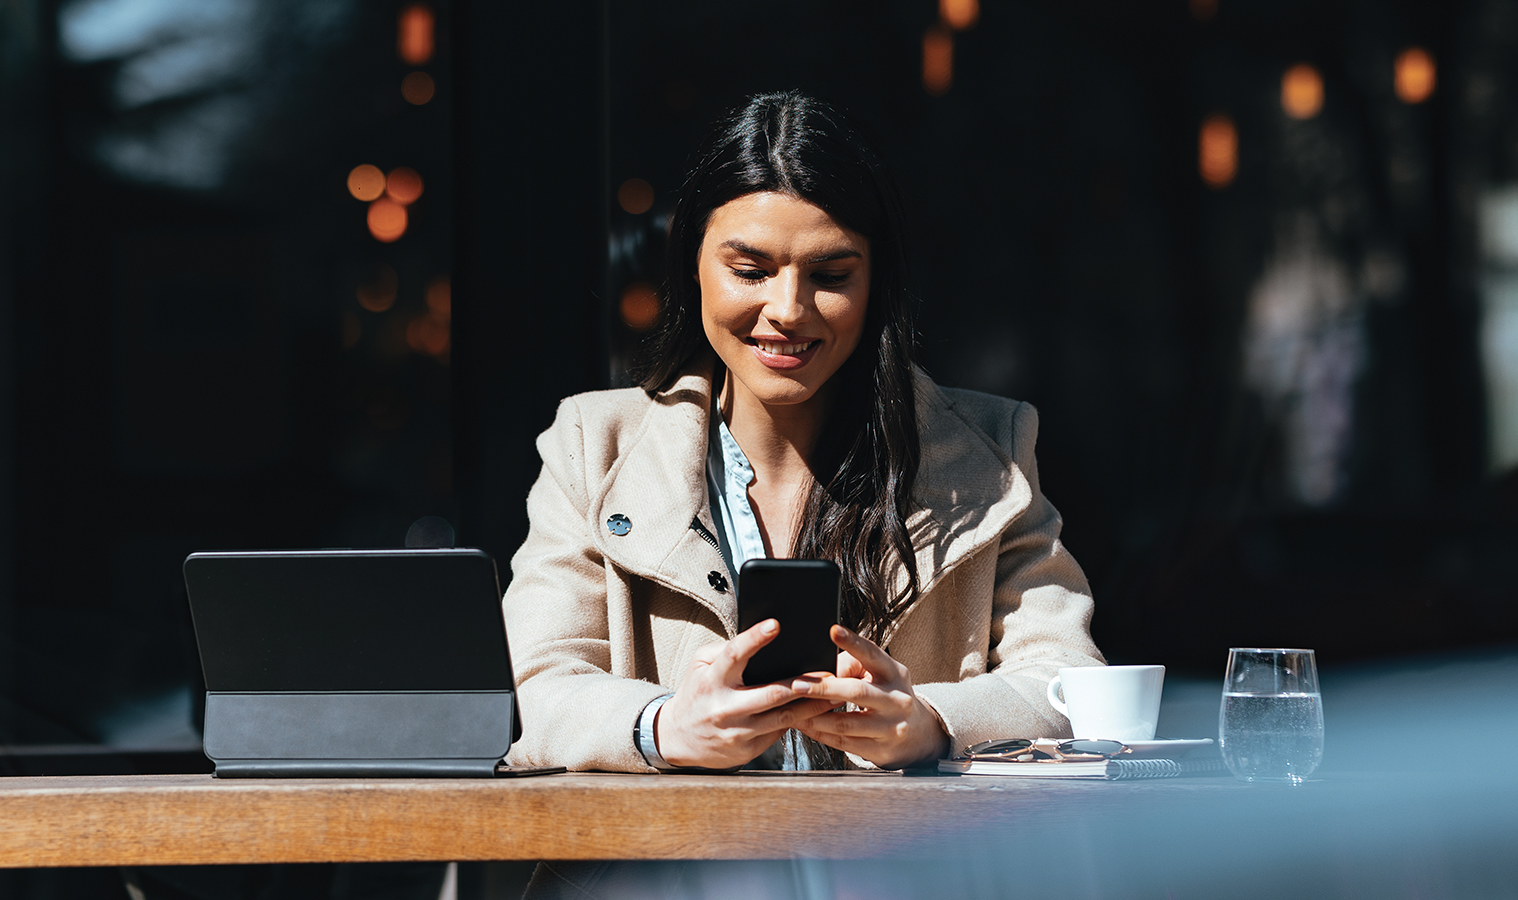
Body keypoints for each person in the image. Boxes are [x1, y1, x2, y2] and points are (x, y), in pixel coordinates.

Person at [502, 90, 1104, 777]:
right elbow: (541, 689)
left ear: (877, 280)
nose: (787, 310)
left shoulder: (991, 450)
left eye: (830, 275)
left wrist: (932, 724)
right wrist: (667, 726)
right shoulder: (591, 444)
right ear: (692, 265)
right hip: (661, 877)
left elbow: (1065, 681)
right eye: (751, 271)